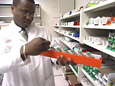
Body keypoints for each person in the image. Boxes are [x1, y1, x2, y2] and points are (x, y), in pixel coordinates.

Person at [0, 0, 59, 86]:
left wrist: (59, 60)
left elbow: (55, 51)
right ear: (13, 9)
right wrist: (24, 51)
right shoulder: (2, 34)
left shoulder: (44, 31)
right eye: (25, 12)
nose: (29, 17)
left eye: (32, 14)